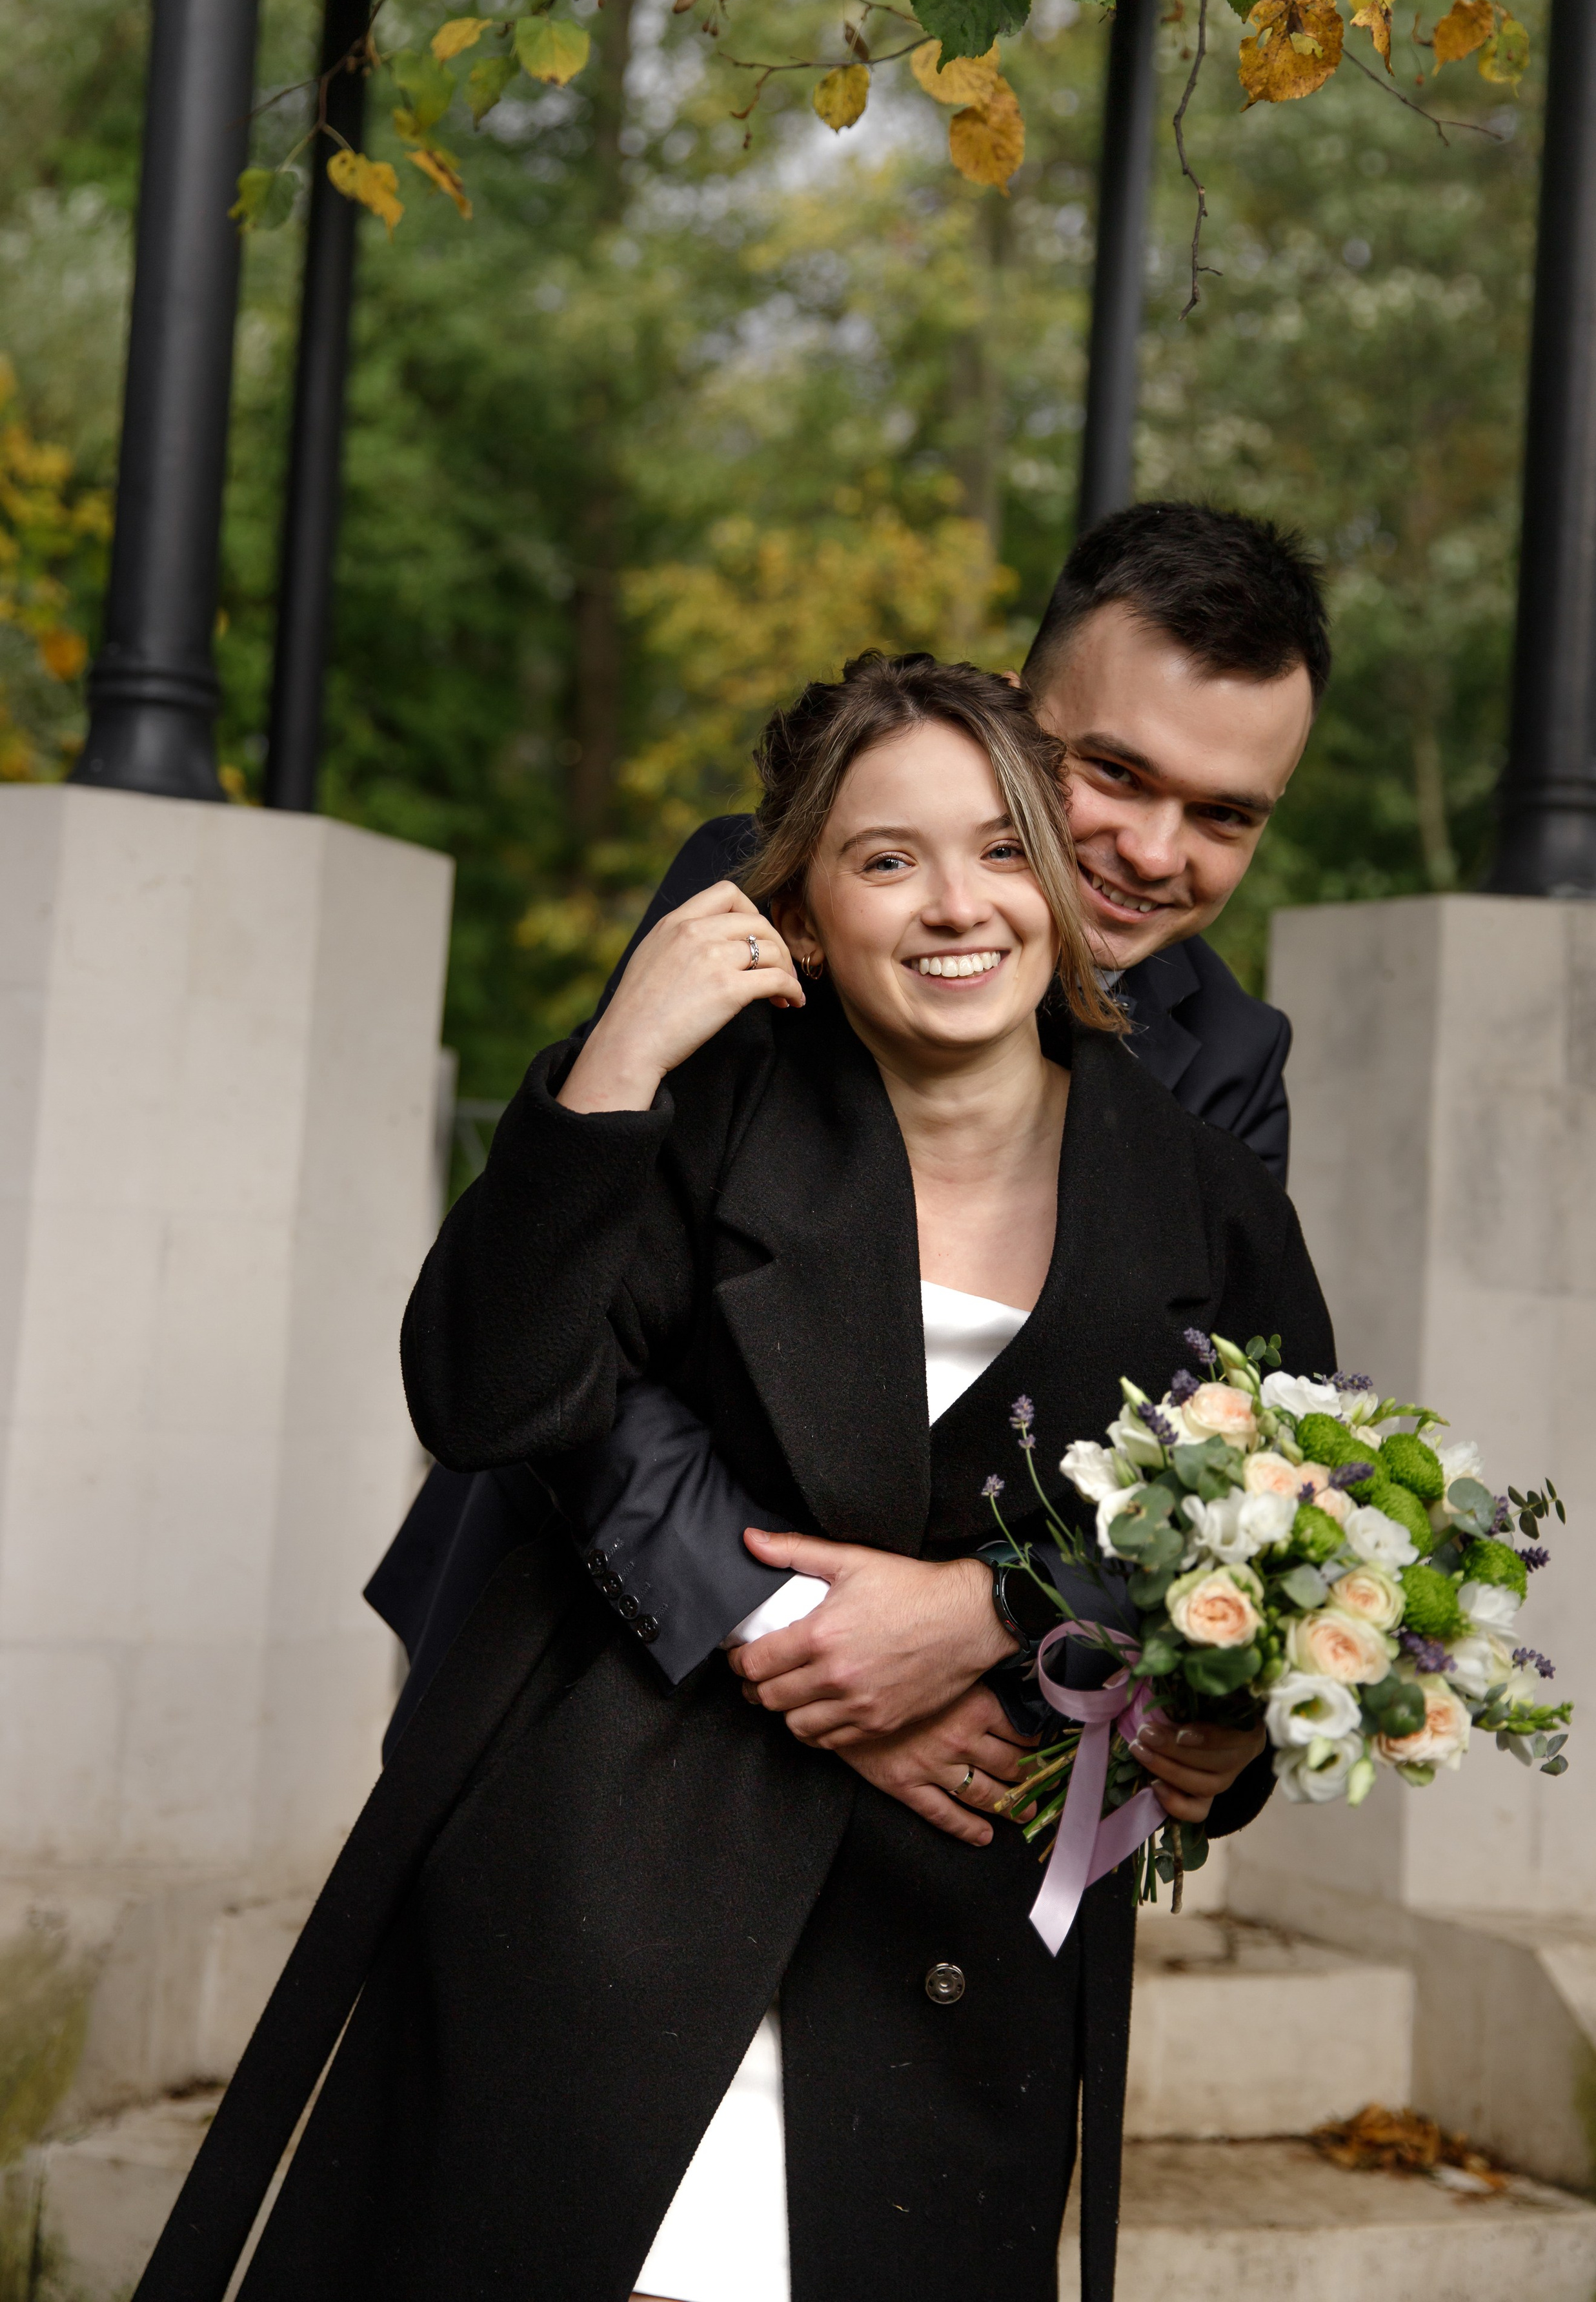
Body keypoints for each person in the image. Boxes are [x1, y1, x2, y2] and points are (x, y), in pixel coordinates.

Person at [138, 654, 1334, 2302]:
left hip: (950, 1950)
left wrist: (1210, 1736)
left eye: (999, 848)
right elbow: (494, 1394)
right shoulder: (707, 1106)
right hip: (618, 1867)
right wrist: (618, 1051)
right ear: (798, 910)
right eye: (882, 859)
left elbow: (1276, 1540)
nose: (951, 904)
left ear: (1054, 883)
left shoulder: (1204, 1197)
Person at [369, 498, 1330, 1777]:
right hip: (607, 1675)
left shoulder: (1224, 1062)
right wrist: (815, 1652)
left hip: (960, 1791)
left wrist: (982, 1620)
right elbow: (592, 1337)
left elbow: (1203, 1459)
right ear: (1001, 712)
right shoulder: (770, 891)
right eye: (1112, 772)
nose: (1151, 853)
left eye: (1224, 816)